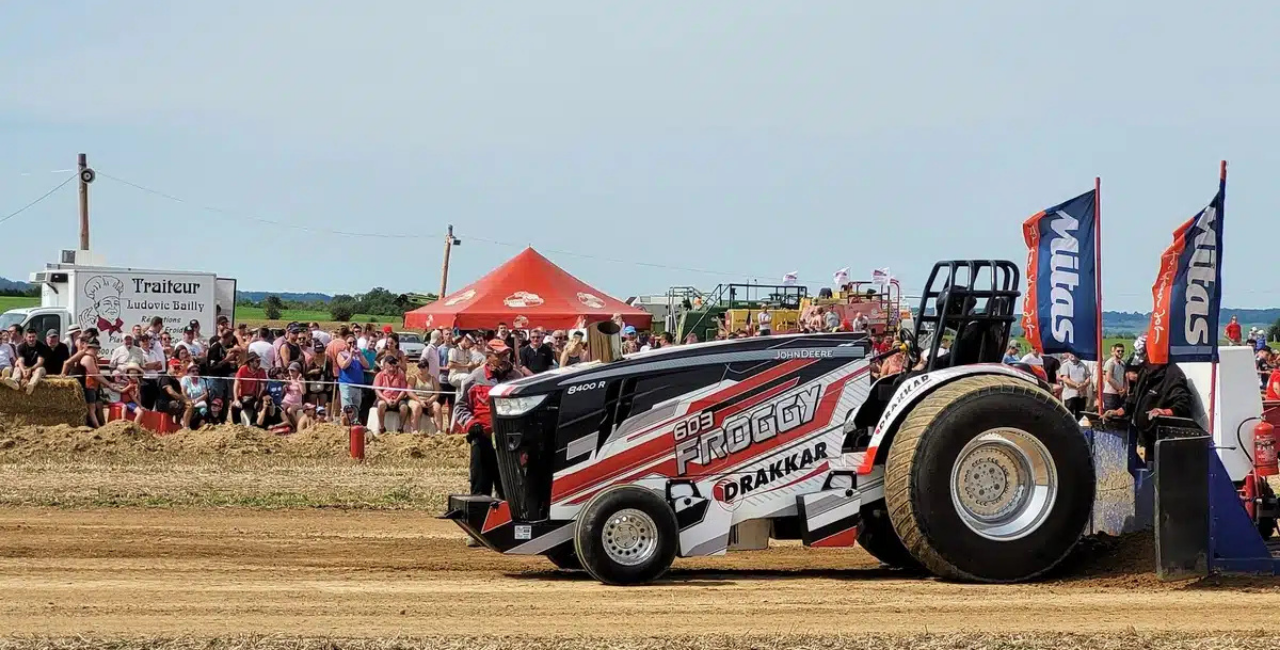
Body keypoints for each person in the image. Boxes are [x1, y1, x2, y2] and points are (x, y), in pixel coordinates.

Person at [454, 340, 523, 502]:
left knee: (510, 491)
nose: (504, 359)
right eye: (499, 355)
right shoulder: (475, 377)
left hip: (509, 442)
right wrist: (471, 423)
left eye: (506, 354)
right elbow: (460, 406)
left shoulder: (517, 378)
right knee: (480, 491)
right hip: (482, 438)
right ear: (489, 356)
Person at [1103, 360, 1195, 455]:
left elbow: (1183, 402)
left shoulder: (1173, 374)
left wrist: (1165, 412)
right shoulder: (1145, 370)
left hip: (1163, 440)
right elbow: (1135, 396)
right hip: (1145, 437)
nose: (1146, 363)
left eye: (1147, 360)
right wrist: (1120, 411)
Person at [374, 356, 412, 433]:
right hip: (384, 398)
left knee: (404, 407)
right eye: (390, 363)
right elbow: (377, 390)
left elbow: (403, 390)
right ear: (385, 364)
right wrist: (387, 400)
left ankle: (400, 428)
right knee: (381, 404)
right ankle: (382, 427)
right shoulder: (380, 375)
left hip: (397, 398)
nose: (392, 365)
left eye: (394, 363)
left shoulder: (401, 375)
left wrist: (397, 400)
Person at [232, 352, 268, 427]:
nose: (259, 363)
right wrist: (236, 399)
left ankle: (254, 425)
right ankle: (237, 426)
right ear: (250, 362)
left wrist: (258, 400)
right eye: (257, 361)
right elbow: (236, 385)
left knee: (260, 405)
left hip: (255, 397)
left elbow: (263, 387)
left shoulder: (261, 371)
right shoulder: (243, 369)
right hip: (243, 396)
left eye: (259, 361)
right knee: (234, 406)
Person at [11, 328, 50, 395]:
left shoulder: (42, 346)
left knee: (40, 369)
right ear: (26, 337)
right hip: (26, 368)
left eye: (33, 337)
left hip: (37, 368)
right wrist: (23, 370)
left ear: (36, 337)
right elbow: (21, 361)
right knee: (17, 368)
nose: (31, 339)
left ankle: (31, 384)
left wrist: (31, 369)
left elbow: (40, 362)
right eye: (29, 337)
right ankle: (15, 382)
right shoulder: (21, 347)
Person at [336, 334, 366, 419]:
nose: (352, 344)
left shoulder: (359, 354)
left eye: (354, 342)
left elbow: (367, 366)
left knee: (356, 409)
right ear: (345, 344)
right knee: (347, 409)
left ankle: (354, 424)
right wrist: (351, 356)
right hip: (346, 385)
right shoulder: (341, 354)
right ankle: (346, 424)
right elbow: (343, 366)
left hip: (358, 386)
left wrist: (360, 356)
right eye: (350, 343)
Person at [1059, 352, 1091, 418]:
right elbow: (1065, 379)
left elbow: (1088, 378)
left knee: (1080, 415)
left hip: (1082, 395)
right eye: (1071, 353)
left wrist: (1084, 384)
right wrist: (1076, 385)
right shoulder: (1065, 365)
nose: (1072, 355)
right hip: (1070, 395)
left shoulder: (1083, 365)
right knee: (1069, 416)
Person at [180, 363, 210, 429]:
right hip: (188, 400)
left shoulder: (202, 380)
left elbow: (206, 394)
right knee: (189, 406)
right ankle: (186, 427)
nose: (195, 372)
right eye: (193, 371)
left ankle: (199, 428)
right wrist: (188, 401)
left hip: (200, 402)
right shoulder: (185, 379)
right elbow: (183, 392)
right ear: (188, 373)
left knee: (203, 411)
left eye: (197, 371)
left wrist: (197, 400)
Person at [1101, 343, 1128, 411]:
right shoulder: (1110, 362)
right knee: (1109, 413)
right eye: (1118, 351)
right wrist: (1119, 389)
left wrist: (1124, 389)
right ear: (1114, 351)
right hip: (1110, 394)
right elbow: (1109, 378)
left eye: (1122, 351)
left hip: (1120, 394)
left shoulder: (1122, 364)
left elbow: (1124, 377)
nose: (1120, 353)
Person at [280, 362, 306, 429]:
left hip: (296, 402)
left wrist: (299, 382)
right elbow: (284, 391)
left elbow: (303, 392)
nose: (291, 372)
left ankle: (298, 426)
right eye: (289, 370)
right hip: (287, 400)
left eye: (293, 370)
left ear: (298, 372)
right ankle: (287, 425)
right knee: (280, 408)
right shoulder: (288, 379)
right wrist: (285, 385)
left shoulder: (302, 380)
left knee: (290, 410)